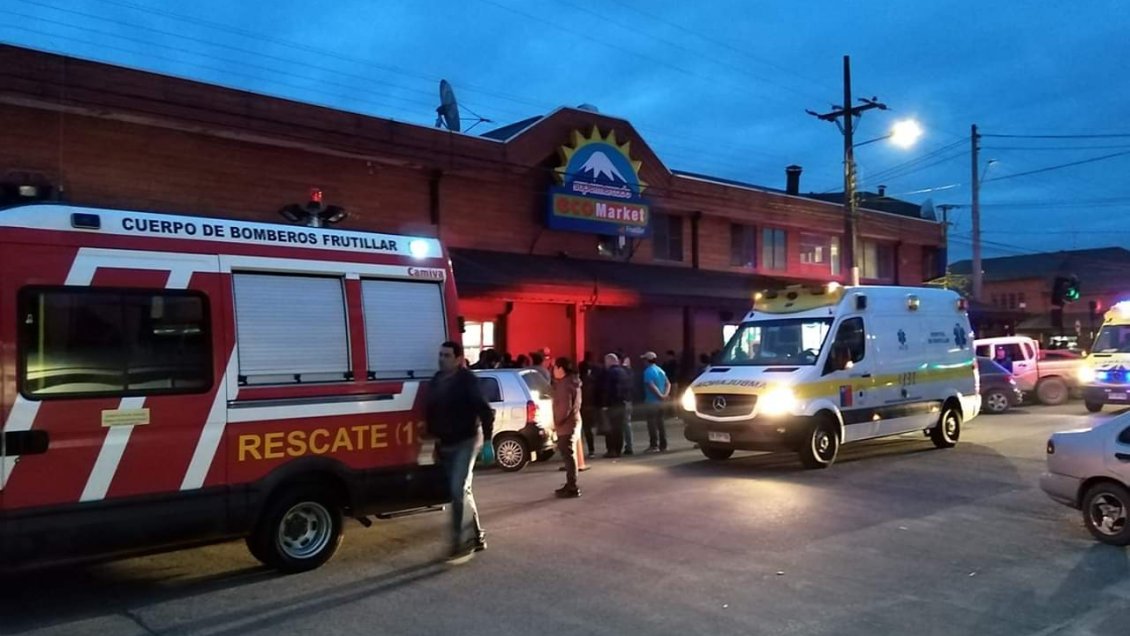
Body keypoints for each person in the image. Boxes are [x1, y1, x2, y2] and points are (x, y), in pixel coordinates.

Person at [425, 340, 494, 564]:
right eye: (440, 355)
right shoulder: (437, 381)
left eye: (446, 355)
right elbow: (431, 411)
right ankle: (477, 536)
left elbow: (485, 411)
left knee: (457, 490)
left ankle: (458, 542)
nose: (441, 359)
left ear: (458, 359)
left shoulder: (467, 381)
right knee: (463, 490)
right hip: (446, 443)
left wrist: (488, 441)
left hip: (466, 441)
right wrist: (433, 440)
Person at [552, 357, 583, 498]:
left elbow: (564, 407)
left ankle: (572, 486)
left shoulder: (564, 385)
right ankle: (570, 483)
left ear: (561, 369)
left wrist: (557, 422)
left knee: (568, 456)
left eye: (555, 368)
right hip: (573, 422)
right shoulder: (573, 382)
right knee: (569, 455)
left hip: (566, 425)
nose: (553, 371)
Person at [601, 353, 633, 458]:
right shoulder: (623, 372)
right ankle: (618, 449)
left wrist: (605, 404)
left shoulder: (610, 373)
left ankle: (612, 450)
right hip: (623, 403)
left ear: (609, 361)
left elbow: (607, 390)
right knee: (619, 428)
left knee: (611, 428)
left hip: (613, 404)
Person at [641, 351, 671, 452]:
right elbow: (668, 383)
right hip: (661, 403)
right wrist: (665, 395)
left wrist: (660, 396)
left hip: (651, 401)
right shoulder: (660, 370)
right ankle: (664, 445)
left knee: (652, 424)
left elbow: (651, 385)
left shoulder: (648, 371)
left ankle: (654, 445)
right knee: (661, 423)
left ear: (647, 360)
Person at [579, 354, 602, 459]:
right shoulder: (593, 380)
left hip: (582, 407)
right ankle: (591, 450)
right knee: (588, 429)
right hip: (591, 406)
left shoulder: (578, 382)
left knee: (582, 430)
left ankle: (580, 451)